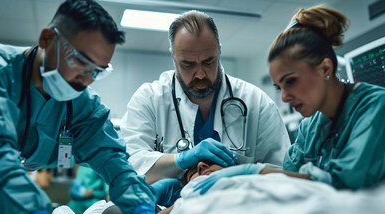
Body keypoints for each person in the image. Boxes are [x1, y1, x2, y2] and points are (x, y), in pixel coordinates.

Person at [0, 0, 162, 214]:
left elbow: (113, 160)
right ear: (47, 39)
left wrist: (143, 208)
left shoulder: (81, 105)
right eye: (81, 62)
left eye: (97, 71)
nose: (87, 80)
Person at [193, 5, 385, 194]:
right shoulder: (313, 125)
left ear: (325, 68)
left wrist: (253, 171)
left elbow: (340, 184)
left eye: (291, 81)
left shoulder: (379, 109)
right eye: (279, 87)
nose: (286, 97)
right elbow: (292, 177)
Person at [120, 10, 291, 187]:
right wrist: (180, 160)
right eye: (188, 64)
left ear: (219, 51)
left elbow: (282, 173)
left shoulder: (256, 103)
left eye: (209, 62)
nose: (200, 74)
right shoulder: (149, 100)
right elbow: (128, 165)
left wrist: (243, 179)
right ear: (173, 57)